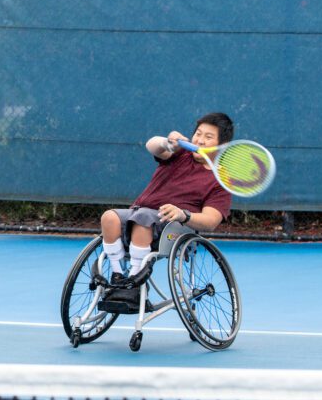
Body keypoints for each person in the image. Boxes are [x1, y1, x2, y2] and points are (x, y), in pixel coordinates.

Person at [100, 112, 234, 310]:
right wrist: (167, 142)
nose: (200, 140)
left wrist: (183, 214)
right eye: (198, 134)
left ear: (221, 145)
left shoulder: (220, 180)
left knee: (143, 218)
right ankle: (118, 276)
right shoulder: (181, 154)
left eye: (208, 137)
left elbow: (211, 220)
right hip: (139, 213)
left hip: (173, 228)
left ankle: (134, 283)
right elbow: (152, 145)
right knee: (109, 217)